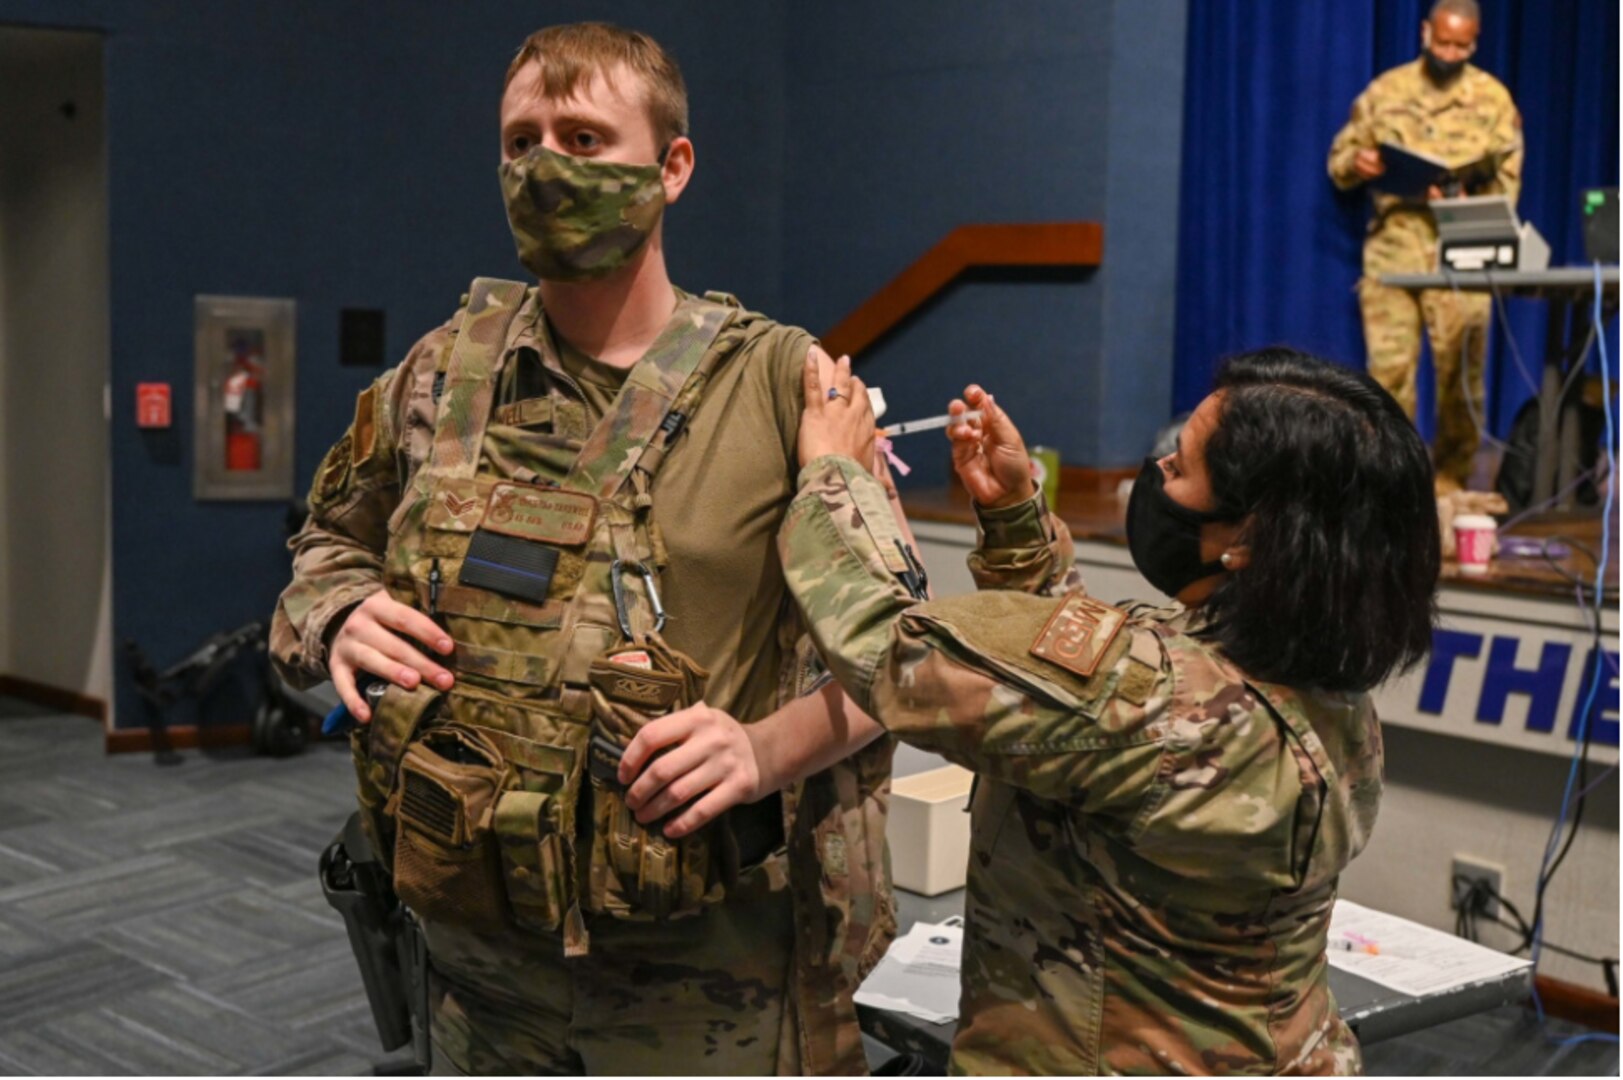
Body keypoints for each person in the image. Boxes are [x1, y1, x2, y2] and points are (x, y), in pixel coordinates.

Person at [271, 23, 897, 1075]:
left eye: (586, 137)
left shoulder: (783, 385)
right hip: (476, 971)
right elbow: (327, 541)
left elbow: (905, 664)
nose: (546, 167)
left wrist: (762, 752)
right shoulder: (441, 372)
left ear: (673, 166)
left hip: (703, 993)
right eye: (522, 141)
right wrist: (336, 609)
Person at [781, 348, 1442, 1074]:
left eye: (1182, 467)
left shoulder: (1161, 706)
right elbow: (1070, 683)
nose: (1156, 473)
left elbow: (892, 652)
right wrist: (1013, 520)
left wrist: (833, 473)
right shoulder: (1315, 676)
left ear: (1250, 538)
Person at [1327, 0, 1523, 495]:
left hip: (1463, 251)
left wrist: (1462, 198)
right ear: (1424, 33)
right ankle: (1390, 481)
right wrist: (1362, 163)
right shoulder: (1387, 90)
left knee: (1461, 378)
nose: (1451, 52)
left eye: (1462, 45)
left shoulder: (1493, 98)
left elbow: (1509, 180)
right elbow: (1340, 160)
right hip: (1394, 251)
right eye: (1443, 42)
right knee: (1389, 376)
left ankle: (1450, 482)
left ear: (1475, 41)